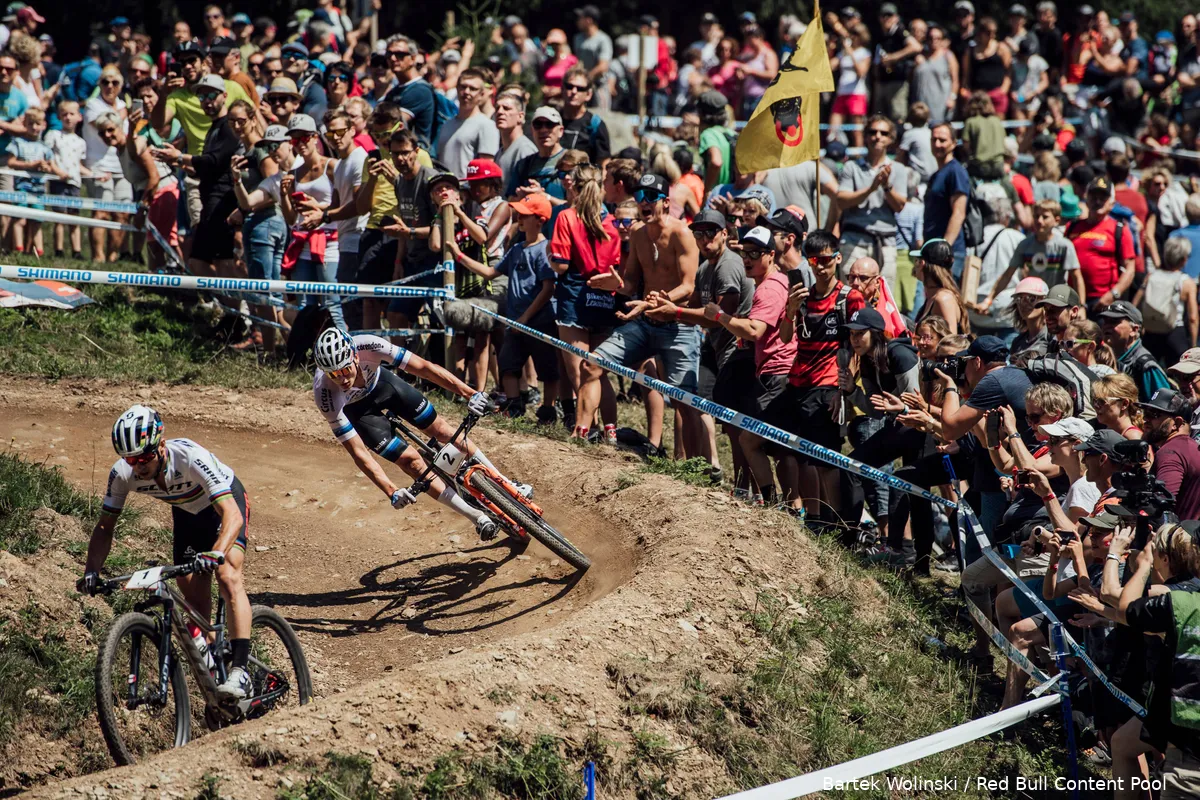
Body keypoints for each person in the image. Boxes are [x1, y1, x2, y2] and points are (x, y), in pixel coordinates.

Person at [79, 405, 253, 700]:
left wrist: (217, 552)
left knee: (226, 574)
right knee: (194, 601)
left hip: (223, 506)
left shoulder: (189, 457)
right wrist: (91, 571)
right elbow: (105, 527)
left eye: (145, 457)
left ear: (161, 444)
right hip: (187, 516)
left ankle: (241, 672)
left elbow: (232, 516)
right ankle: (216, 673)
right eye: (131, 459)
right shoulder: (122, 474)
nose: (139, 466)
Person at [310, 327, 530, 542]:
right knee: (411, 462)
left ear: (355, 356)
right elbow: (358, 452)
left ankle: (506, 484)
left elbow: (424, 367)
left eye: (345, 370)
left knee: (442, 430)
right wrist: (391, 491)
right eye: (334, 374)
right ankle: (477, 517)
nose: (342, 379)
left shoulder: (370, 345)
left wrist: (470, 394)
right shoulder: (325, 394)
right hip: (359, 412)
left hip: (383, 386)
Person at [578, 173, 701, 446]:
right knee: (591, 365)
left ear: (666, 202)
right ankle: (579, 437)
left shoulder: (682, 233)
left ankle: (692, 470)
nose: (643, 202)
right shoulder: (637, 234)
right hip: (646, 323)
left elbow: (688, 287)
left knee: (684, 401)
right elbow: (631, 281)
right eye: (639, 197)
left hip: (677, 326)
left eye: (650, 197)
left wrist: (659, 301)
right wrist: (617, 284)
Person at [449, 193, 560, 423]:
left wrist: (526, 318)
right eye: (519, 213)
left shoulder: (545, 249)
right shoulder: (517, 248)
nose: (519, 217)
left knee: (547, 369)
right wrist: (459, 256)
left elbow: (548, 289)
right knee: (508, 364)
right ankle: (514, 403)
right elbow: (491, 272)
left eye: (525, 215)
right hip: (514, 320)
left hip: (539, 321)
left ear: (539, 220)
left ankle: (548, 409)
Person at [779, 230, 866, 523]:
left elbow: (860, 345)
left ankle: (834, 521)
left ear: (837, 259)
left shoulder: (849, 298)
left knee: (827, 461)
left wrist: (845, 391)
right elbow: (784, 337)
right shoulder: (803, 296)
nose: (820, 266)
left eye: (826, 259)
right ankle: (814, 518)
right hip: (798, 383)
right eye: (814, 259)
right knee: (803, 456)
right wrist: (790, 309)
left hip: (829, 386)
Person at [548, 162, 621, 432]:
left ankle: (584, 430)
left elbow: (561, 264)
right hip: (604, 298)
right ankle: (610, 429)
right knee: (599, 372)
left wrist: (549, 257)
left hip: (574, 299)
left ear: (574, 187)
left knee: (580, 371)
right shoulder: (611, 221)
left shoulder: (567, 216)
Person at [151, 75, 241, 283]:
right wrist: (181, 163)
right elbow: (211, 166)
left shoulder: (228, 127)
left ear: (224, 96)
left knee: (224, 263)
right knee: (197, 263)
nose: (207, 102)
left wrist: (181, 157)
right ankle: (225, 306)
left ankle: (240, 310)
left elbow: (215, 160)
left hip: (223, 205)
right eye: (202, 98)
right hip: (210, 203)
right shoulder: (214, 127)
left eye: (211, 95)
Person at [230, 124, 289, 356]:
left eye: (277, 145)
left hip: (268, 228)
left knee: (267, 294)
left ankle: (275, 350)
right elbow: (247, 203)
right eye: (268, 147)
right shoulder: (276, 178)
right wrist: (237, 181)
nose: (273, 151)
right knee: (274, 293)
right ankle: (286, 351)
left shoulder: (305, 168)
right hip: (282, 230)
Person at [836, 114, 908, 291]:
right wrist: (871, 188)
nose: (878, 136)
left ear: (891, 138)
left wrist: (886, 186)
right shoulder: (852, 167)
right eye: (873, 132)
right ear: (866, 136)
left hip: (885, 244)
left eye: (883, 133)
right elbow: (841, 200)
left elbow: (900, 205)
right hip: (854, 241)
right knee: (849, 296)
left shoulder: (898, 169)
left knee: (884, 298)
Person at [1066, 176, 1136, 313]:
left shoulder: (1119, 229)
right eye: (1093, 196)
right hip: (1072, 298)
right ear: (1086, 199)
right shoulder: (1072, 227)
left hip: (1102, 301)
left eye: (1103, 197)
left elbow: (1130, 268)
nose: (1097, 201)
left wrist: (1113, 294)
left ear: (1112, 202)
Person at [5, 106, 63, 255]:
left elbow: (52, 166)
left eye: (37, 124)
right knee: (20, 218)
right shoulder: (17, 143)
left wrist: (47, 168)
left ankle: (38, 251)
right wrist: (30, 165)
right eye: (30, 124)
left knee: (37, 219)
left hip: (39, 189)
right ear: (25, 124)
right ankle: (18, 249)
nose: (34, 127)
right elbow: (11, 162)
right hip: (21, 187)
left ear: (44, 125)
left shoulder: (44, 147)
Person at [1135, 237, 1198, 366]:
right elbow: (1193, 318)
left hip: (1151, 333)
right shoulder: (1186, 283)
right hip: (1175, 334)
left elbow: (1135, 304)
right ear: (1183, 259)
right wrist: (1193, 344)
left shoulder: (1151, 276)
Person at [1142, 389, 1200, 520]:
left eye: (1154, 414)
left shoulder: (1170, 451)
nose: (1145, 419)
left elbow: (1162, 503)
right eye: (1146, 413)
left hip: (1179, 536)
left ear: (1177, 423)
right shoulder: (1190, 447)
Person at [1099, 300, 1172, 402]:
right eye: (1105, 321)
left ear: (1134, 330)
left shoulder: (1145, 366)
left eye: (1114, 321)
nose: (1106, 326)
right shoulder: (1103, 357)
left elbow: (1165, 406)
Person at [924, 122, 970, 279]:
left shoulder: (955, 171)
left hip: (949, 254)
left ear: (954, 143)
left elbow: (959, 212)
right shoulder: (937, 174)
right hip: (933, 251)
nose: (937, 144)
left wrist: (945, 248)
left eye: (942, 140)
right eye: (933, 139)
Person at [434, 67, 498, 179]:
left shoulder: (487, 126)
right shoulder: (446, 125)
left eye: (473, 89)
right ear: (457, 89)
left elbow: (486, 170)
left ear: (482, 94)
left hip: (468, 192)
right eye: (463, 87)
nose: (466, 92)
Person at [44, 98, 87, 259]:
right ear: (59, 117)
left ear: (79, 117)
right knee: (59, 216)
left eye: (71, 114)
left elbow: (79, 165)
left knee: (74, 216)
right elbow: (48, 157)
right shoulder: (54, 135)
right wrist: (57, 171)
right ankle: (59, 250)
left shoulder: (81, 142)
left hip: (74, 183)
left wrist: (94, 174)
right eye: (64, 114)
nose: (68, 117)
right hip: (58, 181)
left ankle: (77, 251)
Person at [873, 3, 921, 121]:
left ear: (896, 18)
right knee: (880, 117)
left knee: (897, 117)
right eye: (883, 15)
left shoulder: (899, 31)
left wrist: (893, 57)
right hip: (882, 82)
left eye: (889, 15)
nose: (886, 18)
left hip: (897, 83)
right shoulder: (881, 35)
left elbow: (916, 47)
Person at [912, 238, 969, 334]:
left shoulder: (943, 299)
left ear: (922, 263)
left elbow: (951, 343)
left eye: (917, 260)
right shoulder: (934, 295)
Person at [556, 66, 610, 167]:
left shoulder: (595, 125)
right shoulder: (551, 120)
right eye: (569, 86)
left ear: (588, 94)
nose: (574, 92)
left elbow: (603, 164)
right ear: (562, 89)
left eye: (580, 89)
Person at [830, 23, 871, 148]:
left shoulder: (864, 53)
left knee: (856, 130)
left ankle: (858, 155)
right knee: (834, 127)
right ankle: (834, 150)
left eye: (856, 35)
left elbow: (861, 72)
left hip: (856, 94)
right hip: (842, 92)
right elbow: (830, 66)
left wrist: (851, 53)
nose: (853, 38)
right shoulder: (843, 53)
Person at [910, 24, 958, 125]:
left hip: (941, 104)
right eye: (931, 38)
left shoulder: (948, 56)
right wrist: (915, 66)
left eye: (937, 38)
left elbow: (955, 81)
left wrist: (952, 98)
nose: (934, 41)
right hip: (922, 104)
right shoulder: (920, 57)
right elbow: (910, 79)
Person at [573, 5, 613, 111]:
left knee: (600, 118)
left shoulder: (603, 39)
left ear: (589, 20)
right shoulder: (578, 39)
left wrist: (587, 77)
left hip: (599, 86)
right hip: (582, 86)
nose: (578, 21)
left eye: (580, 18)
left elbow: (603, 66)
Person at [279, 41, 326, 118]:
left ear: (306, 64)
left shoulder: (314, 90)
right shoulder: (275, 84)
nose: (291, 59)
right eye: (287, 55)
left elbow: (312, 122)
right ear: (280, 61)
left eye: (297, 56)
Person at [495, 93, 536, 180]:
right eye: (497, 108)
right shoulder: (499, 152)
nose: (500, 112)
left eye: (506, 108)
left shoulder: (525, 150)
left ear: (520, 116)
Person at [1093, 372, 1144, 439]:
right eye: (1094, 400)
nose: (1095, 405)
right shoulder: (1107, 432)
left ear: (1124, 404)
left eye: (1102, 401)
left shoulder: (1133, 437)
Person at [540, 28, 578, 99]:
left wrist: (560, 90)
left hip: (566, 99)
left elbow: (576, 81)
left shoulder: (571, 60)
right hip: (549, 99)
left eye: (557, 44)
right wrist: (544, 89)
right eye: (552, 44)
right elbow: (543, 81)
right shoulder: (547, 62)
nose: (554, 47)